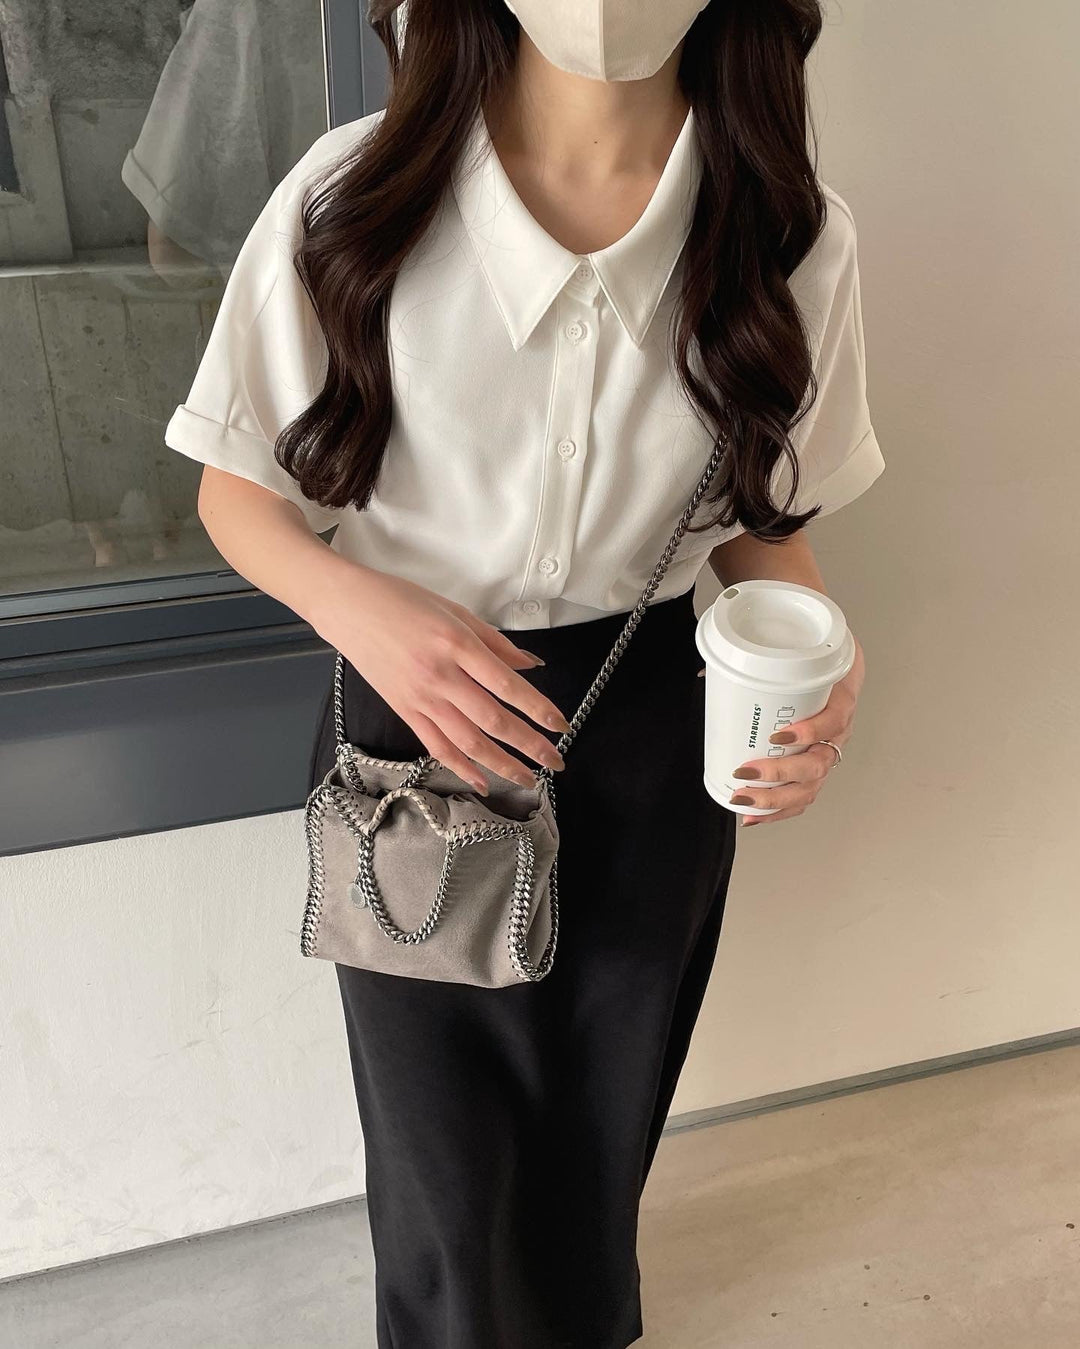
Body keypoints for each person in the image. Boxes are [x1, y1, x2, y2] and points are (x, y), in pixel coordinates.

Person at [163, 1, 885, 1344]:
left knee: (605, 1116)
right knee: (442, 1150)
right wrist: (366, 616)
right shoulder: (354, 192)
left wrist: (820, 665)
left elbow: (767, 529)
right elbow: (236, 489)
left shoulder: (791, 230)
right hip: (409, 726)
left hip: (656, 719)